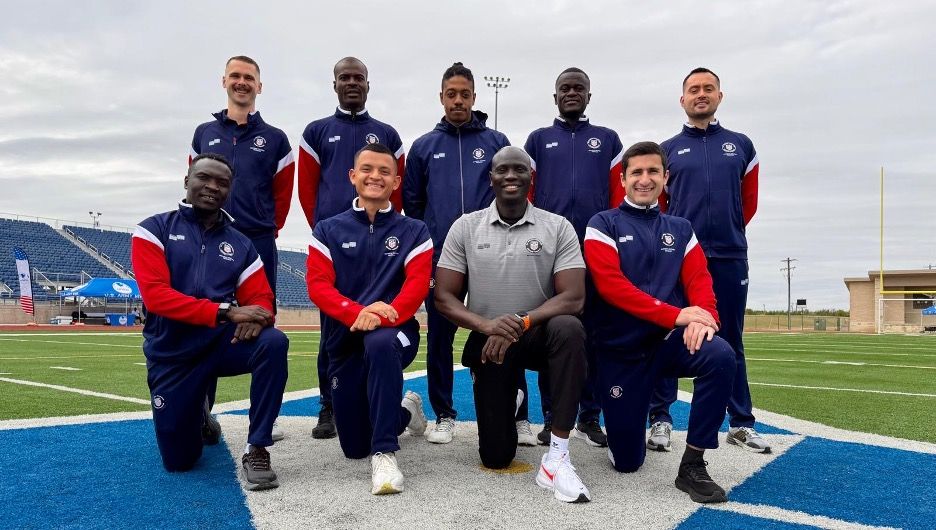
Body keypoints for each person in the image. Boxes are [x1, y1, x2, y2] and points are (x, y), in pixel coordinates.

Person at [434, 146, 591, 503]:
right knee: (496, 457)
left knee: (569, 327)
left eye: (518, 169)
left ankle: (559, 455)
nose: (510, 176)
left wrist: (522, 321)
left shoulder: (557, 226)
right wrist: (487, 325)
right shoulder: (465, 226)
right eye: (502, 170)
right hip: (491, 340)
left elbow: (574, 297)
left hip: (538, 331)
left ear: (530, 177)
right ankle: (512, 395)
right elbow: (444, 297)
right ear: (490, 178)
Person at [583, 141, 736, 503]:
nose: (645, 179)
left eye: (653, 171)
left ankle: (693, 465)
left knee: (721, 355)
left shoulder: (681, 229)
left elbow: (700, 281)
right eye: (636, 172)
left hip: (667, 343)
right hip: (619, 353)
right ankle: (625, 430)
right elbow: (611, 287)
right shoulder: (602, 224)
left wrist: (706, 319)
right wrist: (676, 313)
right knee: (627, 462)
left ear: (666, 178)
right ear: (622, 179)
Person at [131, 153, 288, 491]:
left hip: (221, 345)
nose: (212, 186)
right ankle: (200, 413)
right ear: (187, 180)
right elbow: (157, 297)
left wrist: (260, 319)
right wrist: (228, 311)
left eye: (222, 183)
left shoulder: (240, 244)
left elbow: (262, 300)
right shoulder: (152, 230)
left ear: (229, 191)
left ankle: (257, 447)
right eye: (205, 178)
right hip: (173, 352)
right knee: (180, 462)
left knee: (274, 342)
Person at [647, 67, 768, 454]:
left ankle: (741, 423)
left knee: (730, 339)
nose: (701, 94)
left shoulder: (741, 145)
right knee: (668, 333)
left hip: (730, 255)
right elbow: (662, 206)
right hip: (680, 258)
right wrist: (682, 243)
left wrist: (726, 232)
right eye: (693, 90)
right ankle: (661, 420)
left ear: (720, 96)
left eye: (708, 89)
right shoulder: (667, 149)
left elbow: (747, 203)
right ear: (682, 100)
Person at [305, 143, 431, 495]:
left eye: (384, 171)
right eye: (367, 169)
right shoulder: (327, 230)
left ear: (395, 181)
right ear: (353, 176)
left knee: (379, 343)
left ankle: (386, 452)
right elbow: (318, 286)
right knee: (353, 447)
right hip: (344, 339)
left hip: (396, 332)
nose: (375, 176)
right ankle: (407, 409)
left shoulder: (415, 231)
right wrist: (357, 312)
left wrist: (380, 317)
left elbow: (416, 287)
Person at [298, 57, 406, 440]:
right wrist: (327, 236)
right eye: (345, 78)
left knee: (381, 329)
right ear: (335, 85)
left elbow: (400, 184)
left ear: (368, 84)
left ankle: (387, 405)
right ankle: (328, 404)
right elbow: (306, 191)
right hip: (336, 247)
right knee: (332, 333)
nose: (352, 83)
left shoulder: (388, 134)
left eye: (358, 77)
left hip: (378, 245)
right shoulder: (317, 131)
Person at [403, 62, 510, 444]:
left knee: (505, 329)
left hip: (490, 254)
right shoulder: (423, 147)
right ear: (442, 97)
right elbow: (412, 206)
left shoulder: (497, 143)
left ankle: (515, 412)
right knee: (441, 337)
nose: (459, 101)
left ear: (475, 98)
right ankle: (444, 413)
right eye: (452, 94)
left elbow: (512, 195)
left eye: (465, 94)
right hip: (441, 259)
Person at [190, 55, 293, 442]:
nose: (242, 82)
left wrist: (266, 228)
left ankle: (264, 420)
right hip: (210, 238)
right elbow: (195, 180)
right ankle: (202, 411)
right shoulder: (204, 132)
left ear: (259, 87)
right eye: (235, 75)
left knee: (262, 322)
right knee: (208, 320)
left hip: (257, 239)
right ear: (224, 81)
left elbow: (283, 194)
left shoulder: (276, 138)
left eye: (249, 77)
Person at [523, 67, 625, 448]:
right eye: (564, 88)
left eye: (578, 88)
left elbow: (618, 197)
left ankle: (589, 416)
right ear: (554, 97)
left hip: (596, 254)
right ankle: (553, 417)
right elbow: (526, 195)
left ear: (588, 96)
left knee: (594, 338)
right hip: (550, 257)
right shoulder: (538, 140)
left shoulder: (608, 140)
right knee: (555, 336)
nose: (571, 93)